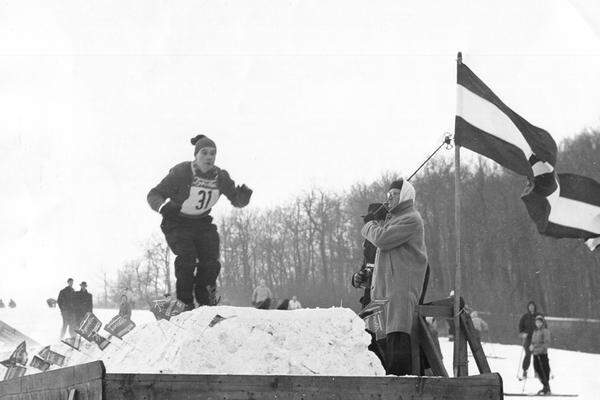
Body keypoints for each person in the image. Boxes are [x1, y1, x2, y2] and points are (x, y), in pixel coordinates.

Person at [147, 135, 252, 311]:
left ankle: (205, 300)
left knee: (211, 261)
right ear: (196, 155)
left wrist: (243, 198)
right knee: (187, 259)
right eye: (204, 153)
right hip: (177, 221)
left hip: (202, 222)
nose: (209, 157)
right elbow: (153, 194)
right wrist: (162, 206)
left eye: (213, 153)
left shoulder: (220, 176)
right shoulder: (182, 172)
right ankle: (185, 303)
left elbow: (236, 200)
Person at [361, 179, 428, 376]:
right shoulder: (393, 220)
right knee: (373, 337)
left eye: (394, 196)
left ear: (405, 196)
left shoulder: (411, 219)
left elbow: (382, 239)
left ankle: (400, 386)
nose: (389, 199)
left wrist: (369, 224)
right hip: (382, 293)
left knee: (397, 339)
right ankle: (384, 381)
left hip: (399, 291)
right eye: (387, 196)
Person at [530, 315, 551, 395]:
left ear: (542, 323)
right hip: (535, 353)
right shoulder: (535, 331)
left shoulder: (545, 331)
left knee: (544, 370)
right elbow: (533, 342)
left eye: (540, 322)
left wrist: (540, 350)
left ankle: (546, 387)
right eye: (537, 322)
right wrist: (531, 346)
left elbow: (546, 343)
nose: (538, 324)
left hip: (542, 354)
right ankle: (545, 386)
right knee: (537, 370)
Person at [518, 300, 540, 379]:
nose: (531, 307)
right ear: (528, 307)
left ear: (535, 307)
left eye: (532, 306)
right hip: (527, 339)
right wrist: (522, 334)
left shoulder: (538, 316)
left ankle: (537, 372)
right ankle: (525, 371)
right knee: (528, 354)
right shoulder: (525, 316)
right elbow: (520, 327)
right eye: (530, 306)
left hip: (537, 338)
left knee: (536, 355)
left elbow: (544, 326)